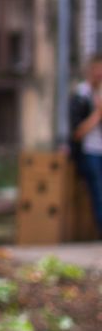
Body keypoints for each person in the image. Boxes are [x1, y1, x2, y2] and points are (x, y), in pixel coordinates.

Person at [69, 55, 102, 237]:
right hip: (90, 151)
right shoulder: (81, 96)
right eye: (97, 69)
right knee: (99, 191)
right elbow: (77, 132)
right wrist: (97, 114)